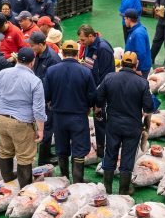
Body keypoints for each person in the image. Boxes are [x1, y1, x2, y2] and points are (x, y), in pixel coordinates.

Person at [96, 52, 153, 194]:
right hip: (132, 126)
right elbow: (148, 108)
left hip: (113, 124)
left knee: (110, 154)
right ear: (136, 64)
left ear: (121, 63)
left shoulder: (109, 78)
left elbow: (98, 99)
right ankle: (123, 191)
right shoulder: (142, 83)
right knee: (128, 157)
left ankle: (107, 190)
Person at [0, 47, 46, 188]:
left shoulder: (2, 73)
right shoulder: (35, 81)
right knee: (24, 156)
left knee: (4, 150)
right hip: (22, 122)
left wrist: (3, 110)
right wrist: (40, 130)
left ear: (17, 59)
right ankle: (24, 189)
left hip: (2, 118)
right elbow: (38, 109)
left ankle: (8, 178)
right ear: (32, 62)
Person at [44, 40, 97, 182]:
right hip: (78, 117)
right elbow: (92, 96)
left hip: (59, 117)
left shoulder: (51, 70)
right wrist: (88, 107)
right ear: (75, 53)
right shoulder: (85, 72)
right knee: (79, 150)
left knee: (61, 148)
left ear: (62, 52)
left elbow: (46, 95)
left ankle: (64, 178)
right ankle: (78, 181)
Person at [79, 24, 114, 157]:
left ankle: (104, 151)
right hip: (92, 89)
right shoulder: (89, 46)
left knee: (100, 120)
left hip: (101, 92)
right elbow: (90, 66)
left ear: (91, 36)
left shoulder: (103, 49)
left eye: (83, 40)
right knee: (97, 119)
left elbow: (106, 76)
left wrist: (98, 98)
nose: (81, 43)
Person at [29, 31, 60, 165]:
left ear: (42, 44)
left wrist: (49, 100)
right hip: (39, 97)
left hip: (48, 100)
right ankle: (46, 153)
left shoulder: (53, 59)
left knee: (47, 128)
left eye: (33, 45)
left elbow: (55, 82)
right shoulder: (39, 54)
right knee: (45, 126)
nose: (31, 47)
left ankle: (43, 158)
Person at [124, 9, 152, 78]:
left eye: (125, 19)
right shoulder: (136, 30)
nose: (124, 21)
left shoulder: (138, 33)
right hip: (136, 66)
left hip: (140, 69)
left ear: (129, 19)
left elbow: (141, 53)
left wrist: (138, 69)